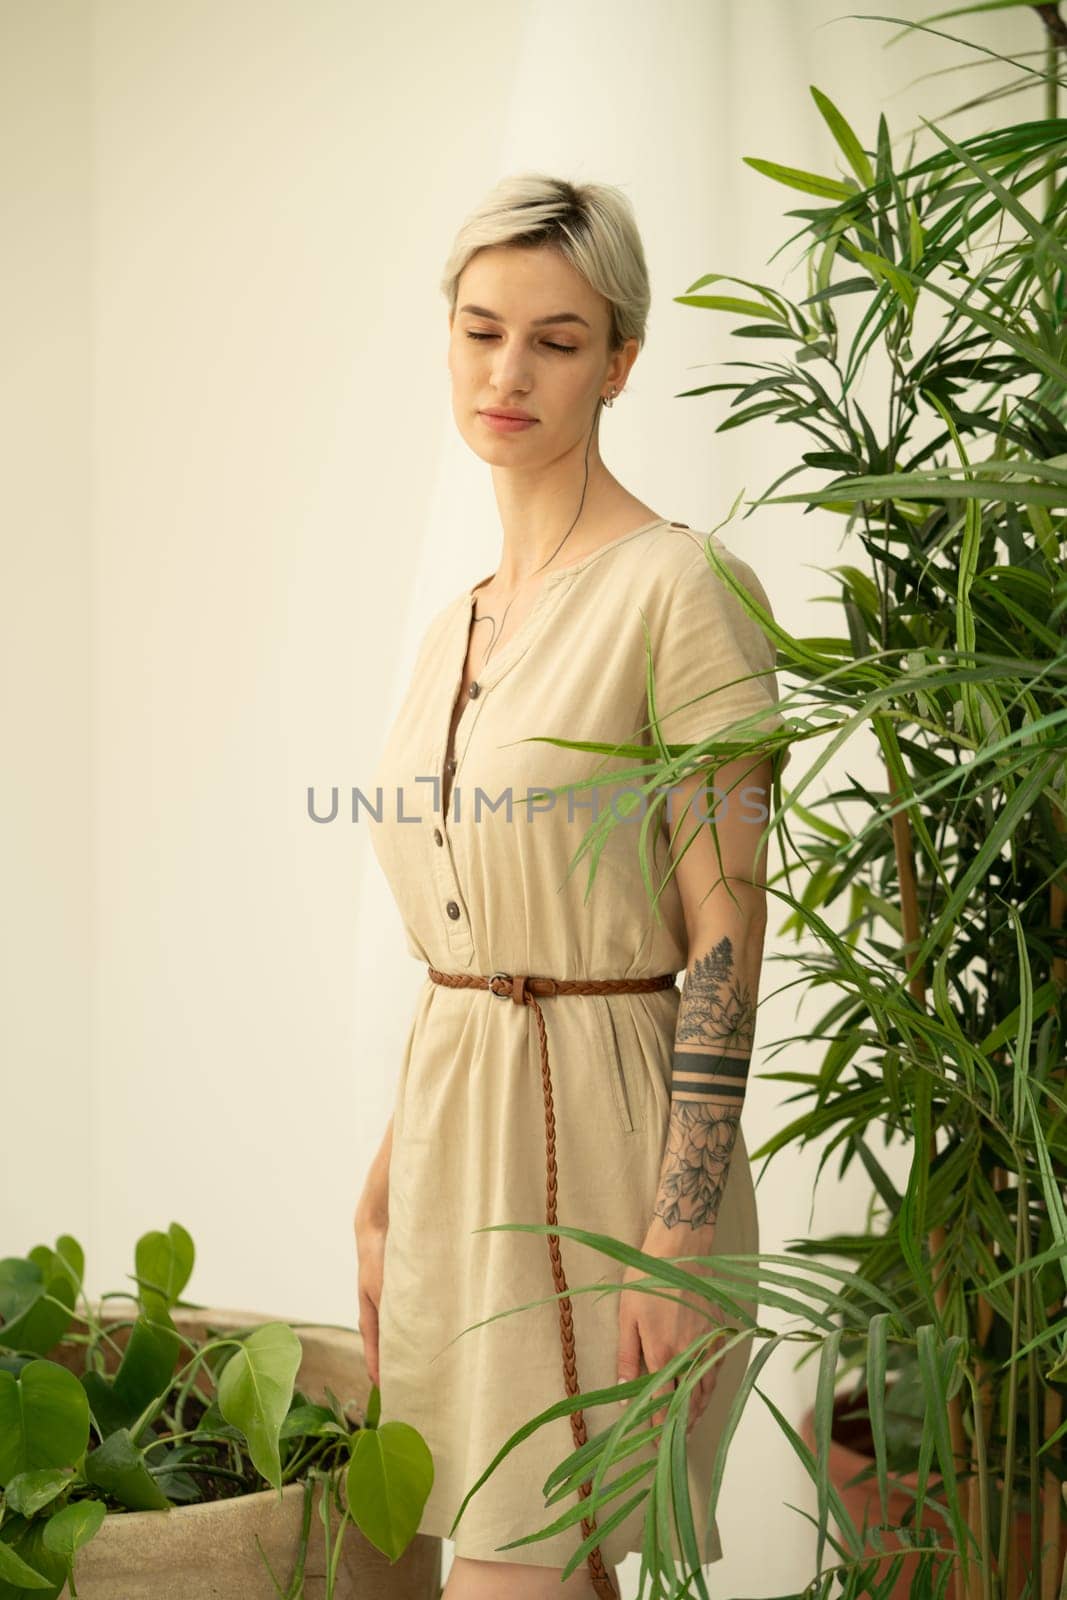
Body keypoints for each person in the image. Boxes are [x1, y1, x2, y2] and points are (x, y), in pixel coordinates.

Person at [354, 172, 789, 1600]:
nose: (509, 371)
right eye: (482, 330)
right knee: (521, 1563)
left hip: (614, 1147)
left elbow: (729, 924)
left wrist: (674, 1233)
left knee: (509, 1576)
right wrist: (387, 1174)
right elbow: (465, 931)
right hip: (454, 1152)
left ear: (620, 360)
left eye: (555, 337)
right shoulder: (450, 630)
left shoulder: (681, 587)